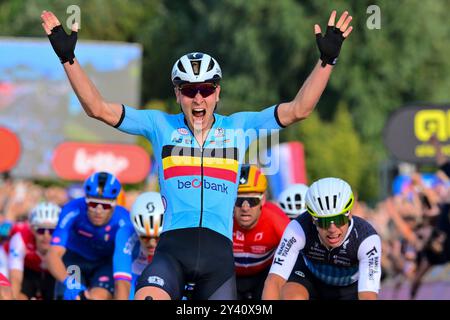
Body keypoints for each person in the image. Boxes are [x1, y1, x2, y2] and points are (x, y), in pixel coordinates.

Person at [40, 9, 353, 300]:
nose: (198, 97)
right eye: (189, 90)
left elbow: (300, 109)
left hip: (217, 261)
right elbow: (98, 109)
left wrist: (327, 62)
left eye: (205, 89)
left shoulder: (239, 127)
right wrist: (68, 58)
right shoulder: (158, 124)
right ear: (178, 94)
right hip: (172, 252)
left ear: (217, 92)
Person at [263, 177, 382, 300]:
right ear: (313, 219)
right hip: (309, 278)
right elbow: (274, 281)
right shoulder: (298, 227)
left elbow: (368, 295)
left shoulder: (366, 238)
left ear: (349, 214)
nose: (332, 229)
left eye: (338, 220)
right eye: (324, 222)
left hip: (349, 288)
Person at [46, 171, 132, 300]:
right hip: (75, 260)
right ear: (85, 201)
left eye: (105, 205)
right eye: (92, 204)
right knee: (72, 297)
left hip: (104, 263)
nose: (98, 210)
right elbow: (53, 254)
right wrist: (70, 283)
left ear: (114, 204)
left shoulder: (124, 220)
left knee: (97, 297)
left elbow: (124, 265)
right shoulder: (72, 209)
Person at [233, 164, 290, 300]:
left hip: (265, 276)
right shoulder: (221, 218)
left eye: (252, 200)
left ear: (262, 200)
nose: (245, 208)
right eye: (239, 200)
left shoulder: (276, 219)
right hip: (229, 276)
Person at [113, 192, 163, 300]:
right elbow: (122, 282)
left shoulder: (175, 232)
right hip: (136, 274)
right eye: (145, 237)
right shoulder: (125, 232)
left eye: (158, 237)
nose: (151, 243)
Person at [7, 202, 60, 300]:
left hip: (53, 274)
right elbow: (15, 278)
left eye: (52, 231)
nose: (46, 236)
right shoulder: (20, 238)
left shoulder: (65, 242)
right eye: (40, 230)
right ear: (32, 229)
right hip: (29, 272)